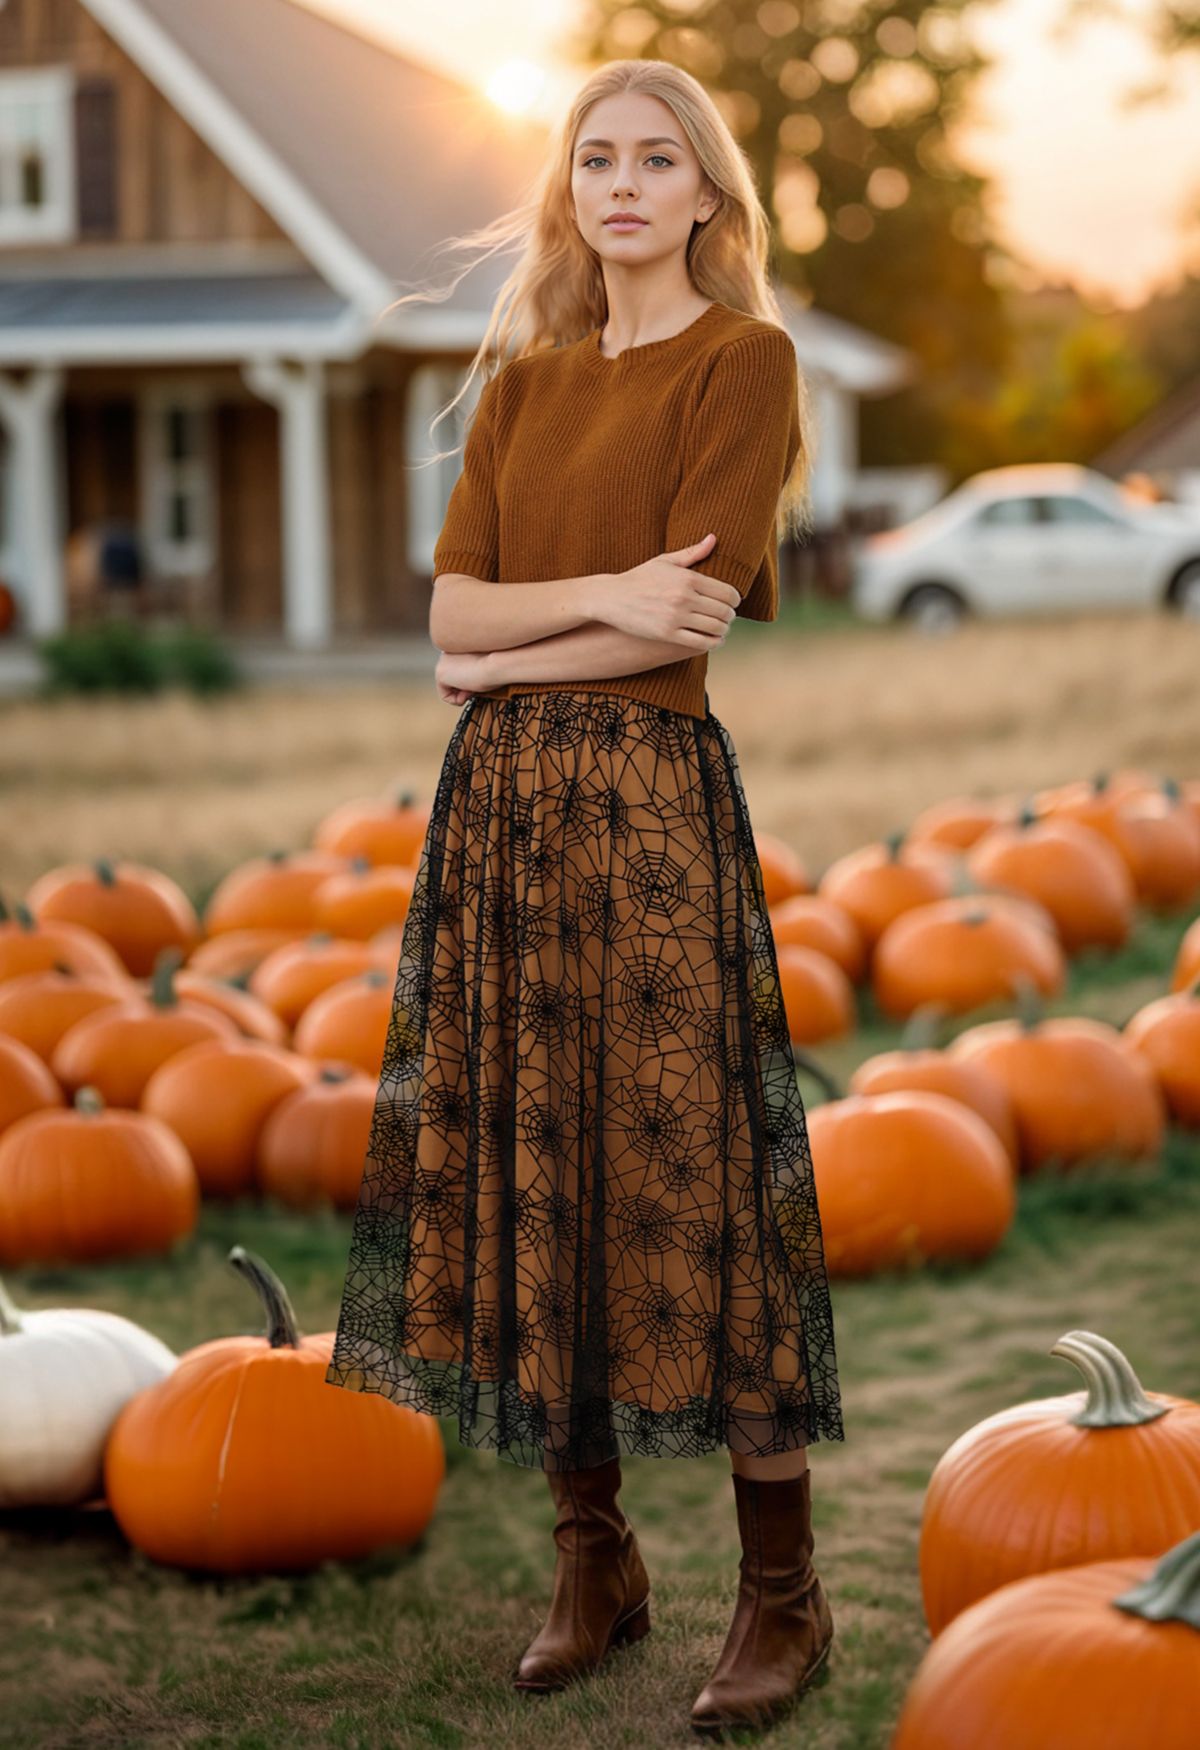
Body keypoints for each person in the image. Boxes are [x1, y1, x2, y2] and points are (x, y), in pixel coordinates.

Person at [325, 56, 846, 1739]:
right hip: (502, 831)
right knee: (546, 1174)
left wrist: (535, 634)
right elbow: (441, 633)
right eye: (598, 157)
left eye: (659, 158)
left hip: (646, 816)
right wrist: (581, 603)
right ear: (573, 192)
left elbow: (675, 629)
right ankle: (594, 1563)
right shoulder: (525, 390)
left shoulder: (744, 362)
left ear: (706, 195)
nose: (624, 183)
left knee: (698, 1189)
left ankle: (784, 1600)